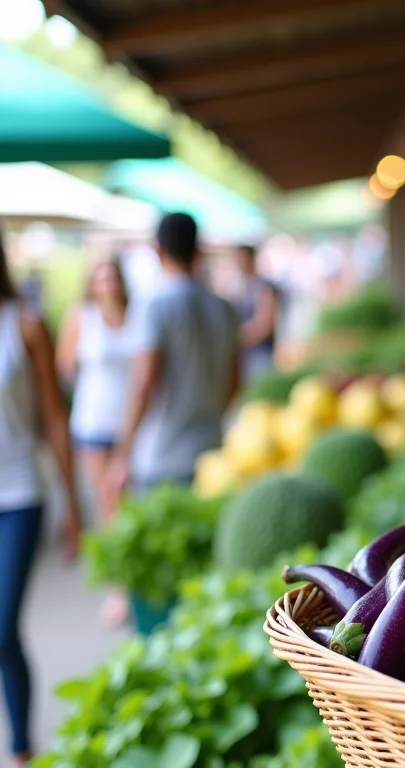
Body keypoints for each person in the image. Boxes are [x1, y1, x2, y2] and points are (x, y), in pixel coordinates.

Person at [0, 225, 82, 766]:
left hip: (20, 493)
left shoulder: (25, 326)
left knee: (2, 626)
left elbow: (54, 417)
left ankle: (23, 748)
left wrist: (72, 506)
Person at [108, 213, 241, 500]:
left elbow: (144, 384)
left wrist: (122, 453)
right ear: (198, 250)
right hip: (212, 451)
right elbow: (235, 384)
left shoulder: (153, 307)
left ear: (158, 249)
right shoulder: (225, 309)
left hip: (161, 456)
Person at [55, 258, 136, 626]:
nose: (106, 283)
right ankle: (118, 587)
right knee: (107, 503)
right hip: (93, 422)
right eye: (100, 277)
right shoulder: (81, 317)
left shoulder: (135, 317)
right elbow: (65, 367)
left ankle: (129, 578)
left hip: (130, 426)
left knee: (128, 503)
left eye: (111, 276)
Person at [233, 244, 280, 382]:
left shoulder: (263, 287)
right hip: (246, 354)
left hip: (260, 353)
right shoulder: (241, 286)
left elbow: (266, 324)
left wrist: (240, 338)